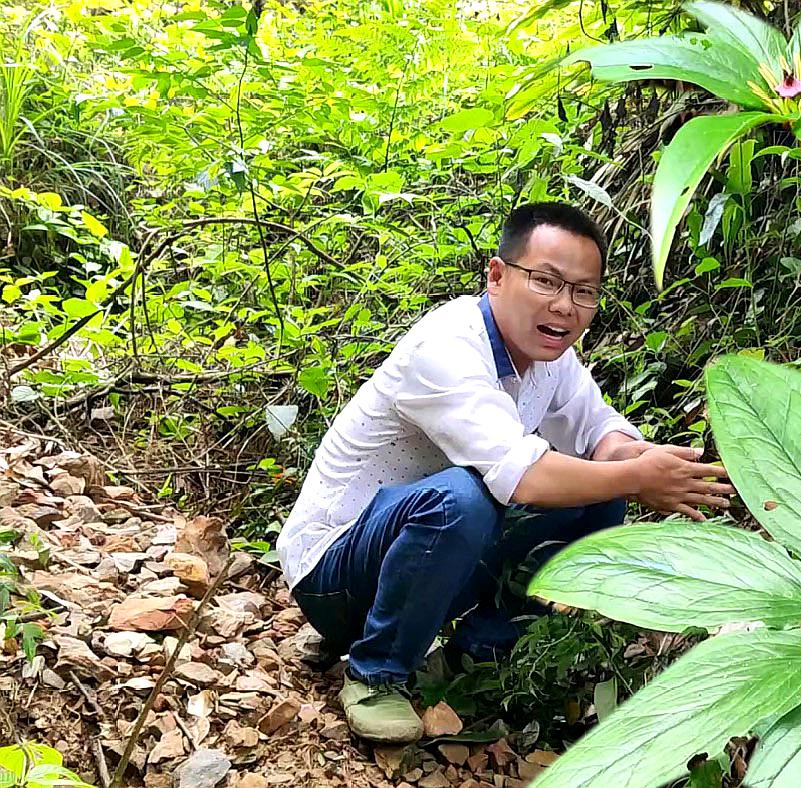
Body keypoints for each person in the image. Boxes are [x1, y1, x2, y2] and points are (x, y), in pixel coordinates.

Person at [275, 202, 733, 743]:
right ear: (497, 275)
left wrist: (641, 459)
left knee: (597, 498)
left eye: (583, 291)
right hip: (332, 574)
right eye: (546, 281)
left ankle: (475, 654)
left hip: (422, 564)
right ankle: (375, 674)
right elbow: (525, 478)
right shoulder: (446, 348)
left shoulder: (548, 355)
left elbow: (595, 429)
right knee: (460, 499)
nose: (565, 307)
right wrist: (638, 479)